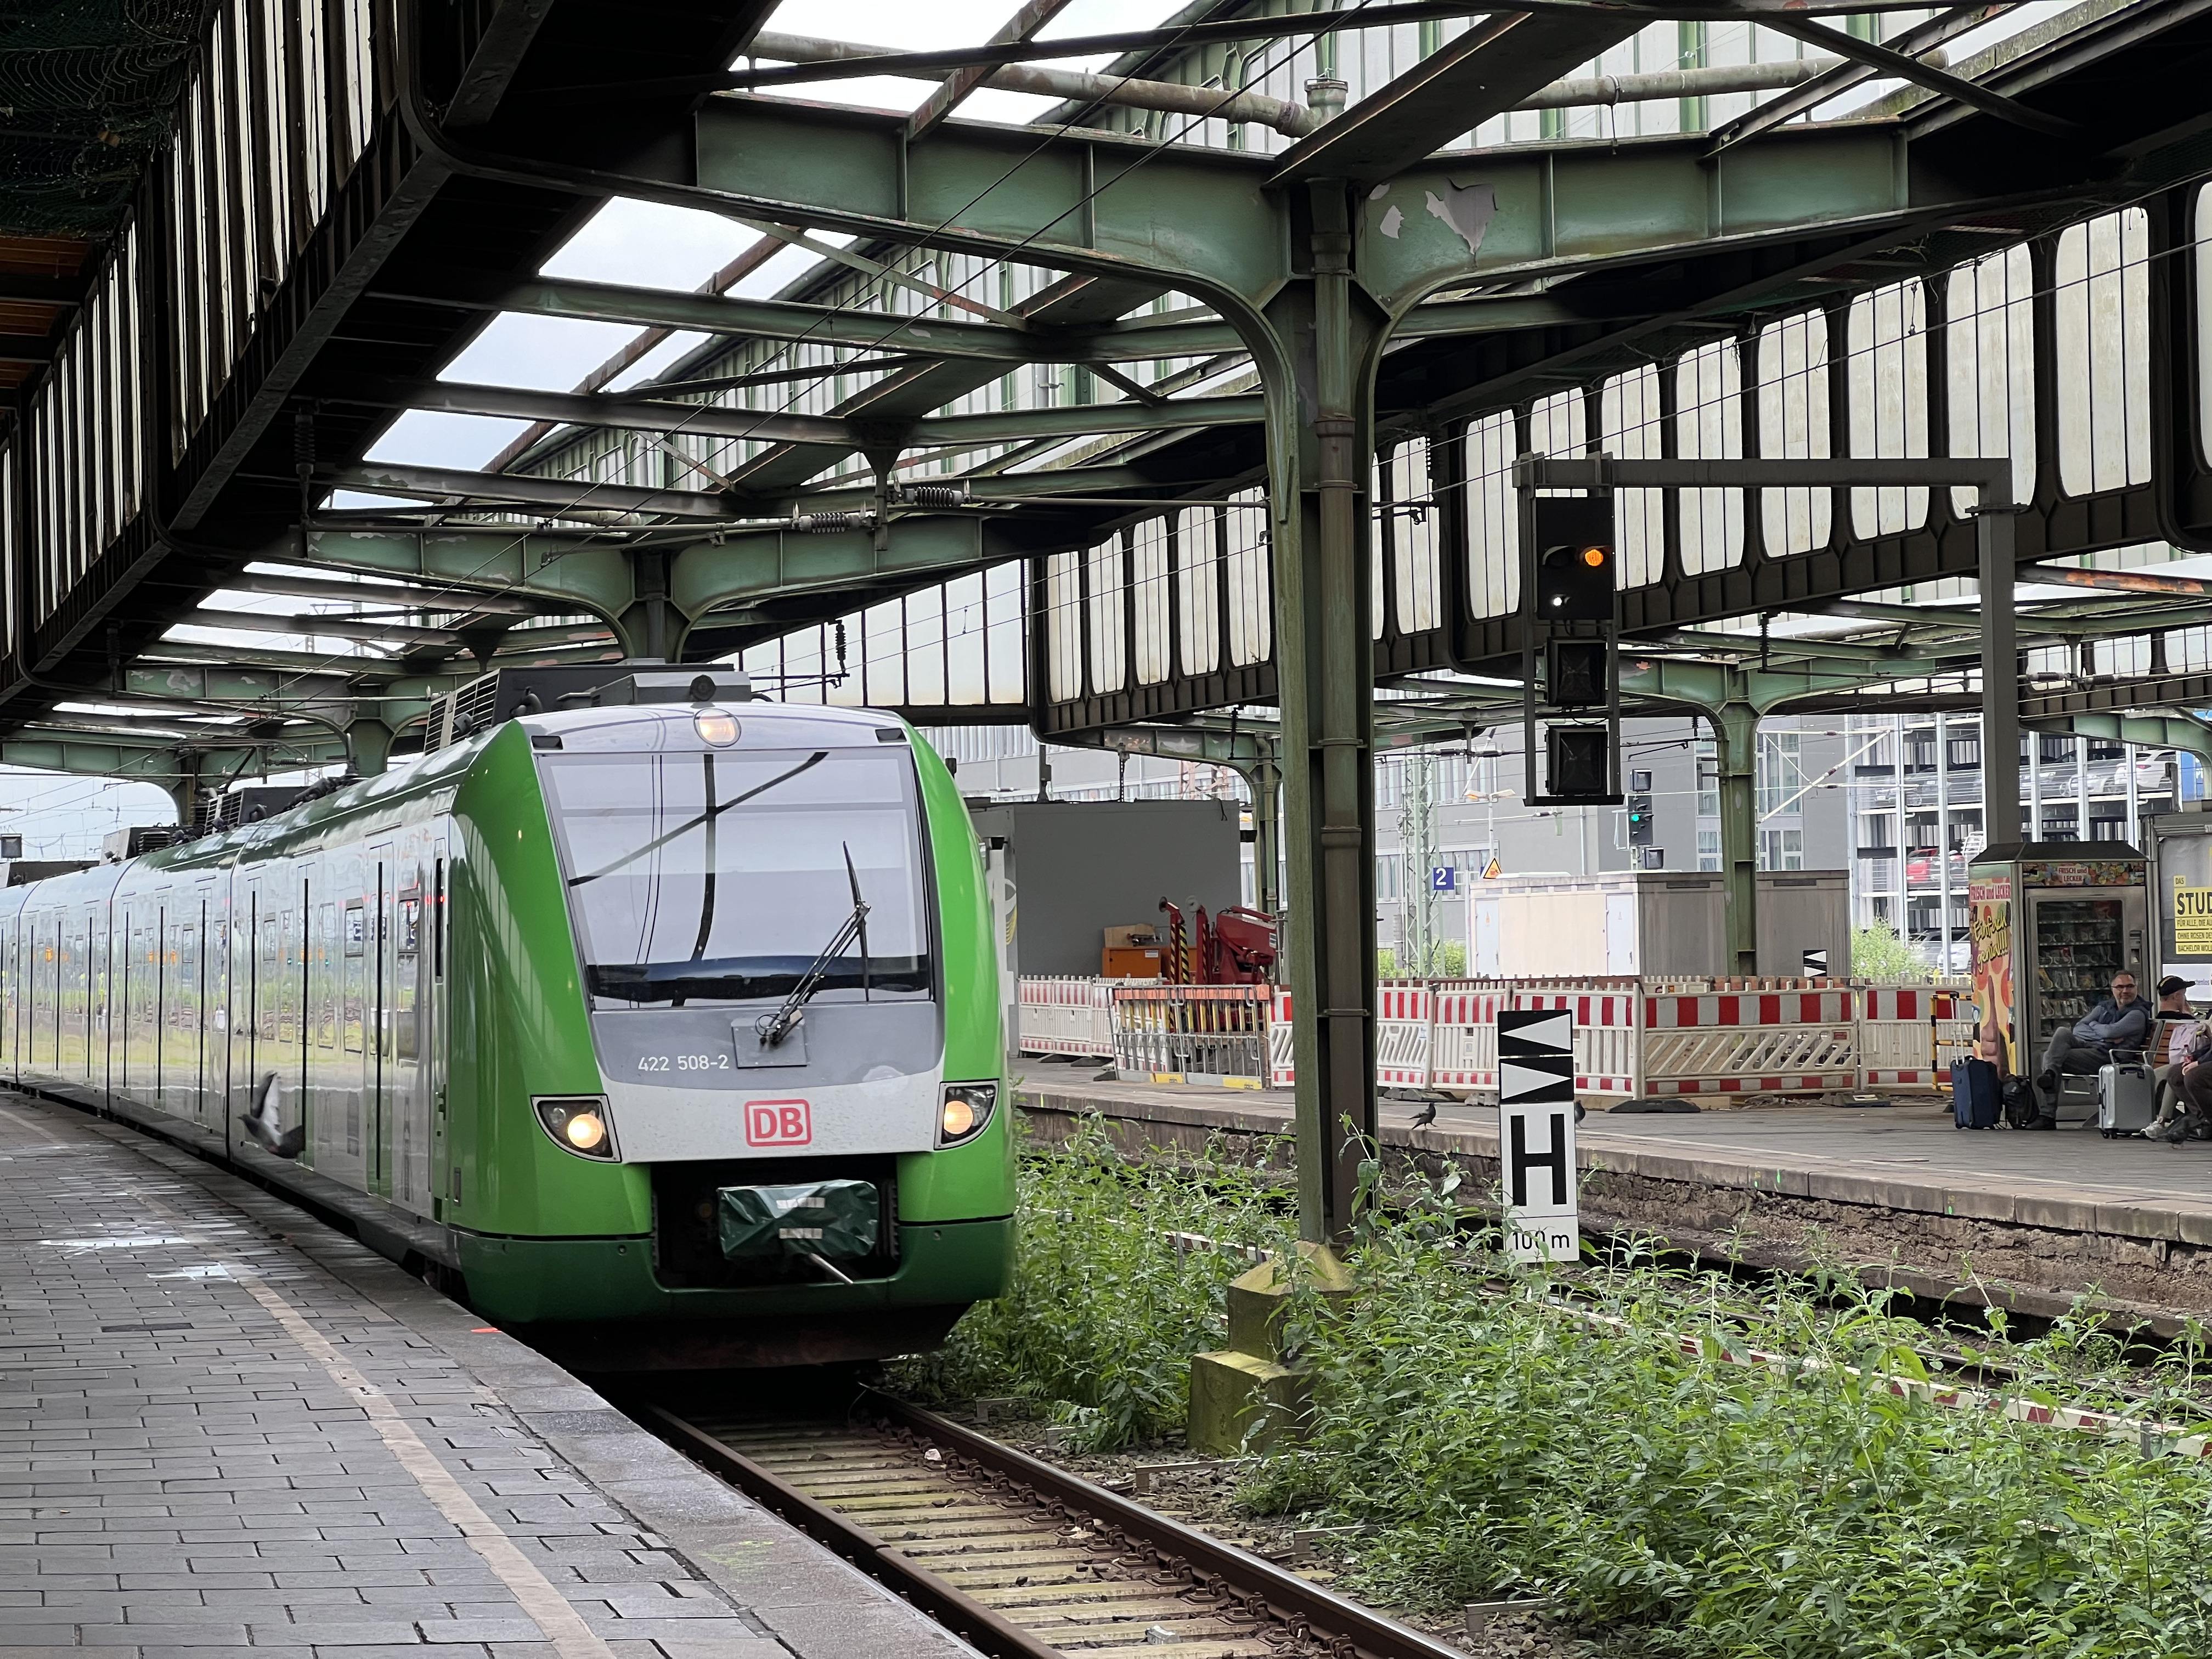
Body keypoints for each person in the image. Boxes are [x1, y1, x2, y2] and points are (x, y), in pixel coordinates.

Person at [2037, 971, 2154, 1094]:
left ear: (2136, 988)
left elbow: (2110, 1032)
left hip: (2111, 1057)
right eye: (2120, 987)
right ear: (2113, 990)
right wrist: (2103, 1039)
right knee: (2062, 1032)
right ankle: (2049, 1076)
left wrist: (2094, 1025)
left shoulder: (2137, 1014)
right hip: (2096, 1047)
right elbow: (2078, 1028)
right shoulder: (2106, 1007)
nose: (2125, 991)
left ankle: (2049, 1093)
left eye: (2130, 986)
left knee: (2051, 1057)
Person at [2144, 977, 2200, 1137]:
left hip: (2156, 1064)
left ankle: (2161, 1121)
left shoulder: (2155, 1019)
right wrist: (2191, 1018)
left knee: (2171, 1073)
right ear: (2176, 996)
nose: (2185, 999)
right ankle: (2166, 1122)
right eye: (2184, 994)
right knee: (2174, 1072)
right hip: (2183, 1063)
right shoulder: (2186, 1021)